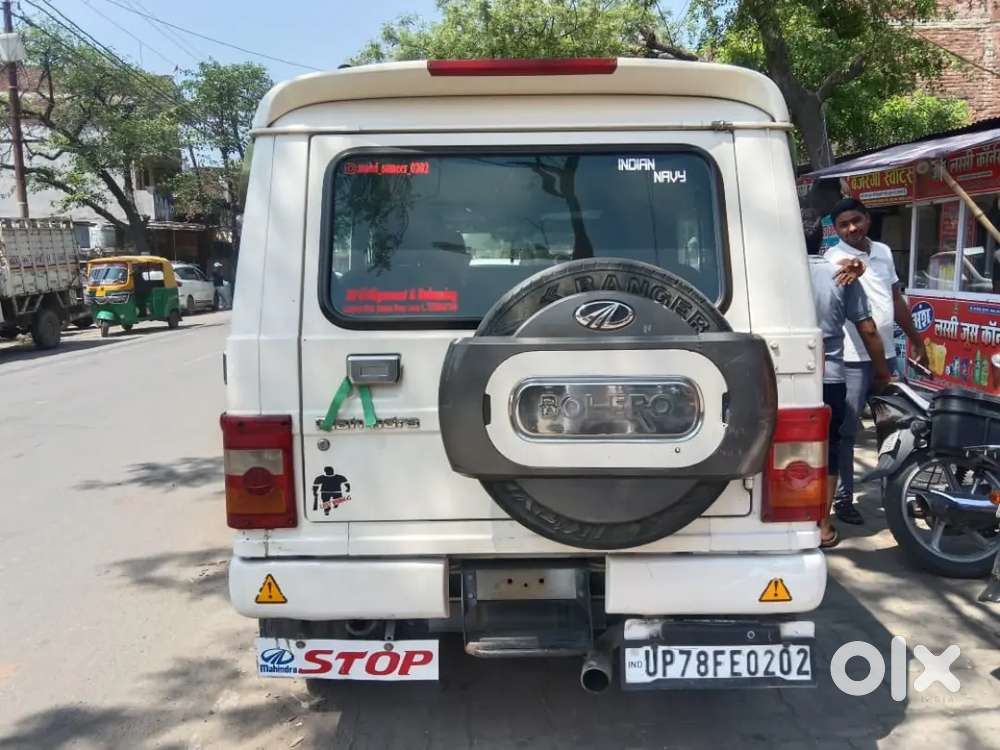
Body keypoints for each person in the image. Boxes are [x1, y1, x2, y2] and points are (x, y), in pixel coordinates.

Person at [824, 198, 928, 525]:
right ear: (836, 230)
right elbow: (851, 274)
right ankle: (843, 499)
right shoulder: (833, 259)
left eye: (856, 220)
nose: (852, 228)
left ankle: (896, 495)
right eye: (843, 225)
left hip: (889, 356)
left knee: (899, 429)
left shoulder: (882, 251)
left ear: (867, 219)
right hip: (852, 360)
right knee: (846, 432)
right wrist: (855, 268)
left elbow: (895, 300)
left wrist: (916, 339)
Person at [803, 209, 891, 548]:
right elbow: (867, 329)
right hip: (830, 377)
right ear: (821, 238)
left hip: (780, 377)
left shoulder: (767, 276)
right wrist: (882, 371)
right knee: (828, 449)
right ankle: (823, 525)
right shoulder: (840, 275)